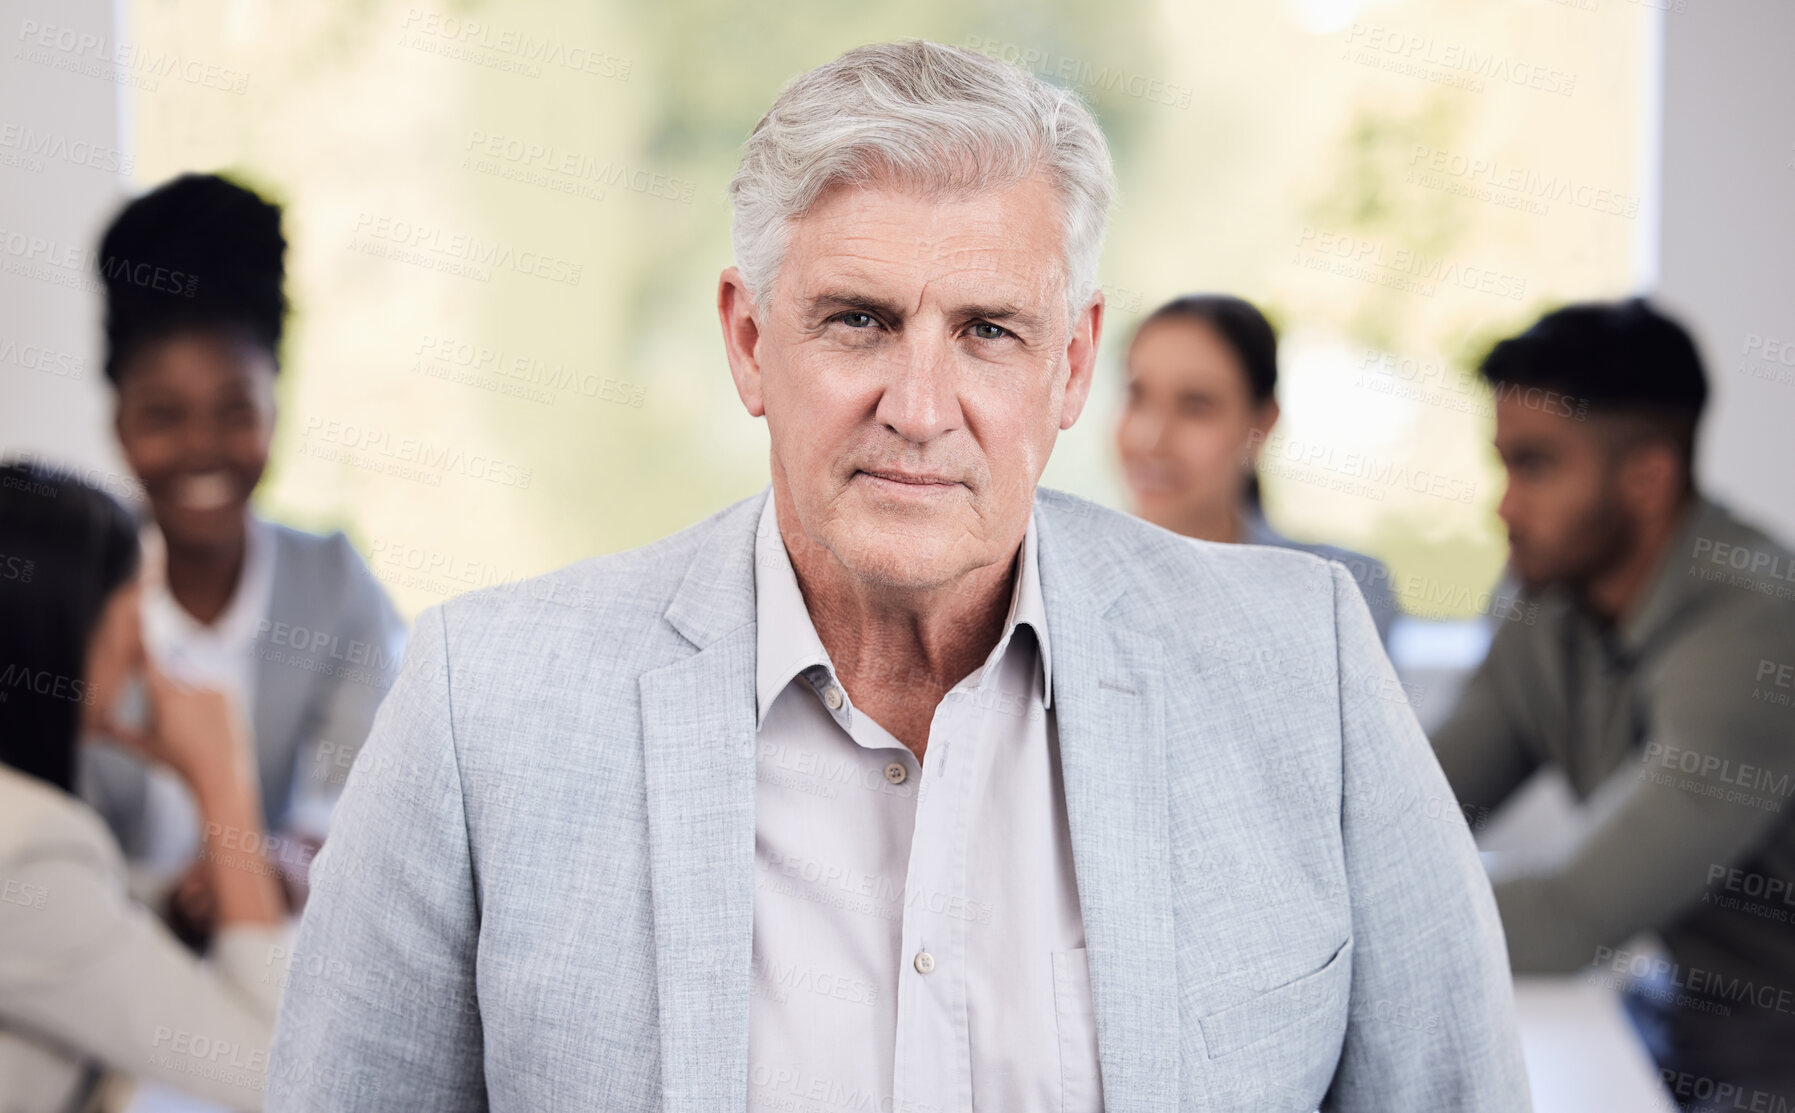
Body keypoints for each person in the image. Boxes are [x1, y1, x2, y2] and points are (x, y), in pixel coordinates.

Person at [269, 41, 1528, 1111]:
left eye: (988, 330)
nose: (919, 409)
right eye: (858, 319)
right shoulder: (482, 703)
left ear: (1072, 363)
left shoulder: (1302, 665)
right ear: (750, 340)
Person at [1430, 299, 1795, 1107]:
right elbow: (1415, 807)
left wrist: (1307, 918)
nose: (1503, 506)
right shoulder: (1547, 598)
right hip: (1683, 1008)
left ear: (1647, 478)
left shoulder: (1761, 629)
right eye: (1502, 464)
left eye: (1534, 465)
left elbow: (1568, 920)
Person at [77, 173, 407, 936]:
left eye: (235, 410)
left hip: (272, 979)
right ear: (119, 421)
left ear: (275, 405)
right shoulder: (69, 592)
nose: (201, 447)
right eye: (163, 414)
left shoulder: (335, 587)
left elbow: (357, 813)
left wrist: (279, 864)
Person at [0, 463, 291, 1110]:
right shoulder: (32, 850)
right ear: (67, 628)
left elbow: (66, 926)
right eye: (137, 607)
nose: (143, 647)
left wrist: (160, 902)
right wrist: (224, 781)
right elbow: (287, 1074)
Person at [1116, 294, 1399, 644]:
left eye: (1196, 406)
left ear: (1262, 425)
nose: (1151, 440)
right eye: (1136, 396)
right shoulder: (1053, 579)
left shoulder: (1340, 593)